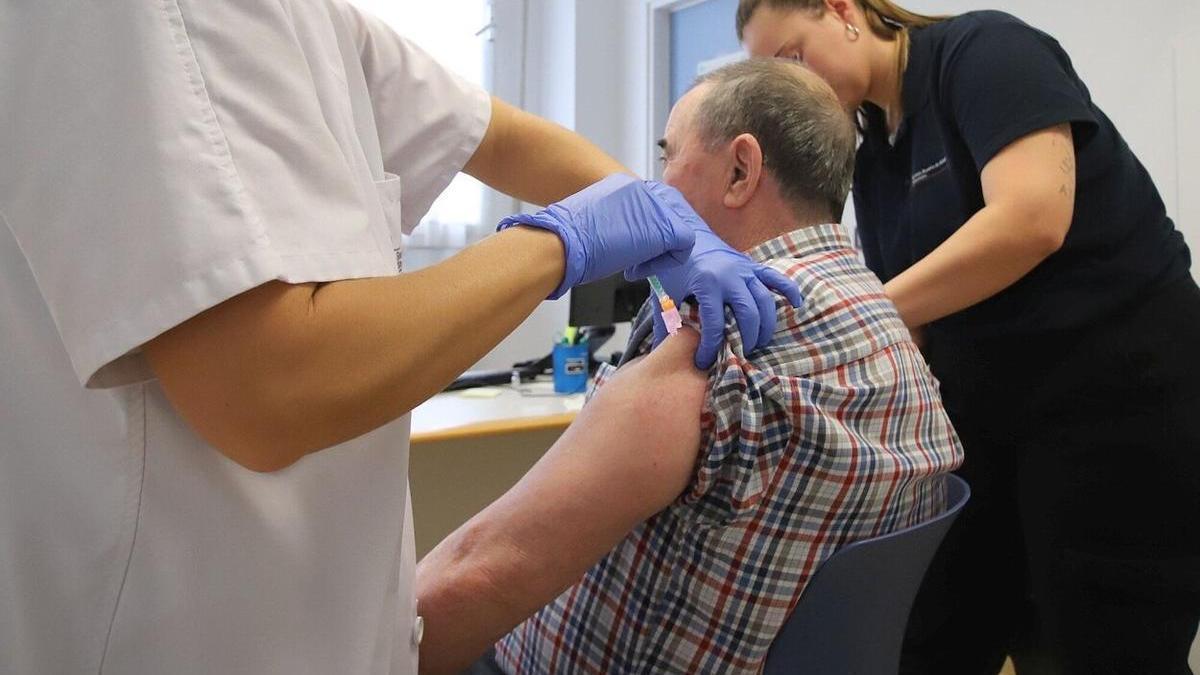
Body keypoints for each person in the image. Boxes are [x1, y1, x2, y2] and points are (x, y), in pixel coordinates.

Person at [0, 3, 801, 673]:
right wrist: (560, 240)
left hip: (332, 619)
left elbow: (501, 137)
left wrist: (657, 221)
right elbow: (263, 389)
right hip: (180, 630)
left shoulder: (316, 20)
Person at [417, 58, 963, 675]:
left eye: (667, 156)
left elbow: (477, 574)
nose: (656, 186)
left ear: (740, 170)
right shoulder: (888, 326)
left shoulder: (715, 349)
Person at [737, 1, 1200, 673]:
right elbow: (915, 324)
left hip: (1117, 400)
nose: (792, 85)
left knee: (1102, 645)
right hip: (993, 423)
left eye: (792, 58)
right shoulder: (874, 160)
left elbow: (1035, 216)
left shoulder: (981, 51)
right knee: (938, 631)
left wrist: (864, 309)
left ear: (840, 9)